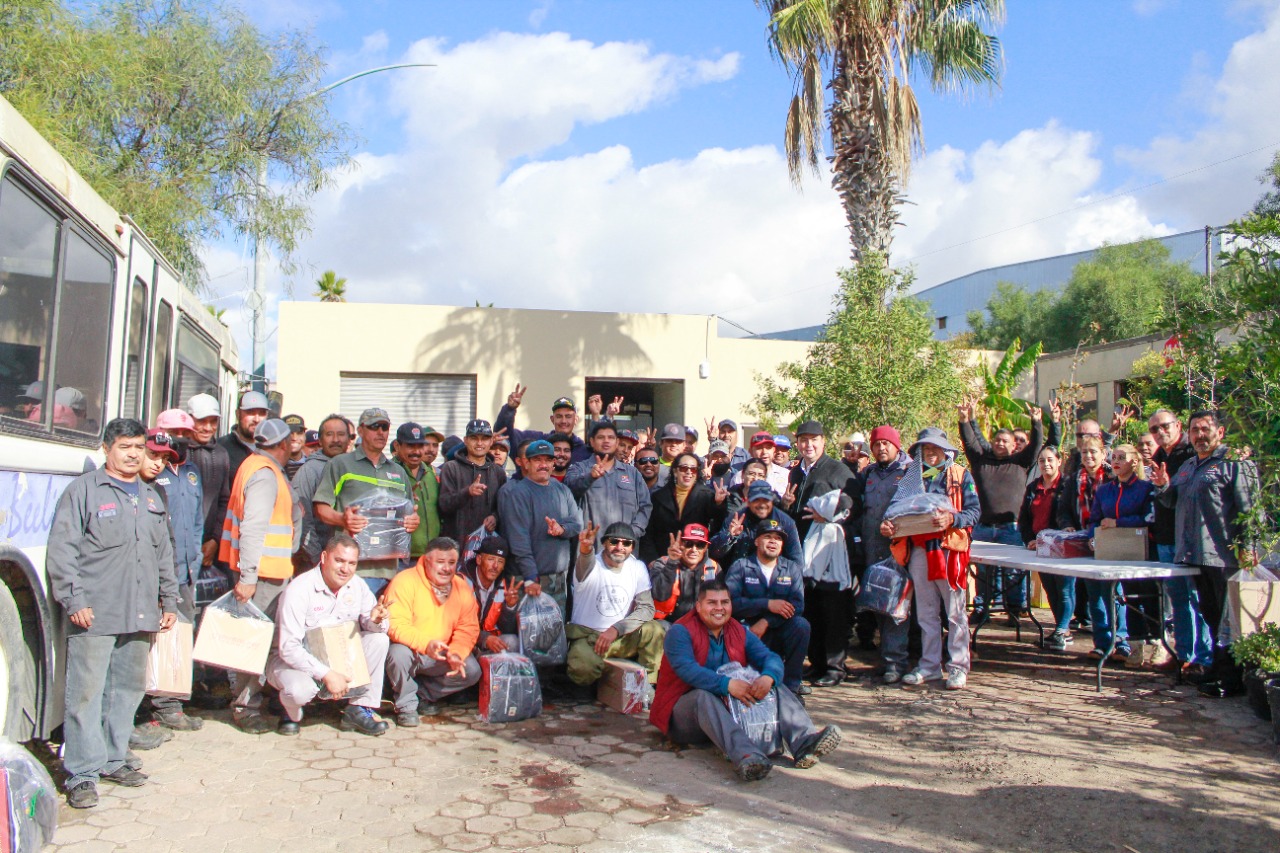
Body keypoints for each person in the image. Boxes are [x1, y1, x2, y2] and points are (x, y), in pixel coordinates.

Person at [47, 418, 179, 809]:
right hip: (96, 612)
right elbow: (63, 551)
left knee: (126, 691)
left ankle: (113, 759)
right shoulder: (83, 492)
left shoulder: (152, 497)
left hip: (139, 613)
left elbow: (163, 553)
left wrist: (168, 600)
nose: (134, 454)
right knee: (86, 695)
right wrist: (74, 600)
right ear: (107, 448)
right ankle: (82, 774)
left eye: (139, 447)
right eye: (125, 447)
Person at [650, 581, 842, 781]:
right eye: (711, 603)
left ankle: (805, 743)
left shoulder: (738, 630)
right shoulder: (680, 631)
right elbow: (687, 670)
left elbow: (770, 658)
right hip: (683, 717)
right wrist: (727, 684)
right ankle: (747, 755)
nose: (719, 608)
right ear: (698, 606)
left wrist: (768, 677)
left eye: (725, 602)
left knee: (773, 683)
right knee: (702, 697)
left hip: (726, 714)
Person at [1152, 410, 1260, 698]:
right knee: (1212, 615)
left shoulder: (1234, 462)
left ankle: (1232, 678)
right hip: (1195, 554)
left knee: (1230, 618)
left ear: (1220, 432)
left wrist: (1249, 546)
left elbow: (1250, 509)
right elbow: (1171, 501)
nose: (1200, 435)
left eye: (1205, 429)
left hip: (1225, 555)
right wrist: (1163, 484)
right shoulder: (1188, 466)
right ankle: (1217, 668)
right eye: (1195, 430)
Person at [219, 418, 302, 734]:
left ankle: (252, 700)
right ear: (283, 445)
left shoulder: (254, 465)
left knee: (258, 641)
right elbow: (253, 527)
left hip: (265, 571)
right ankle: (245, 706)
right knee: (253, 642)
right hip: (263, 575)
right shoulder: (266, 475)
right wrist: (249, 576)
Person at [883, 428, 980, 690]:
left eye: (935, 448)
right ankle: (929, 665)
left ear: (945, 450)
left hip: (949, 552)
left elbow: (973, 512)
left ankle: (958, 667)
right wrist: (889, 527)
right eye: (925, 449)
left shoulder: (960, 475)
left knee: (955, 613)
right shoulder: (909, 479)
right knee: (925, 614)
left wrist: (952, 518)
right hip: (918, 551)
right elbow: (894, 513)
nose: (931, 453)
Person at [265, 534, 391, 736]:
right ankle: (289, 710)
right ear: (324, 558)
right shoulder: (299, 590)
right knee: (298, 691)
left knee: (379, 639)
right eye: (339, 560)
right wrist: (327, 674)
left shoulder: (357, 585)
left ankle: (359, 708)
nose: (345, 569)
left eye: (351, 563)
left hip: (337, 654)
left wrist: (376, 621)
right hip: (294, 662)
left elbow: (372, 624)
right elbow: (288, 648)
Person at [958, 400, 1046, 626]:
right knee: (984, 574)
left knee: (1014, 573)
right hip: (984, 528)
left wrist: (1037, 423)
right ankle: (981, 609)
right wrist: (965, 419)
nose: (999, 443)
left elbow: (1036, 446)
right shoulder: (980, 461)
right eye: (996, 439)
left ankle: (1015, 610)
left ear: (1013, 445)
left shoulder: (1020, 462)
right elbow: (970, 441)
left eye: (1004, 441)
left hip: (1011, 529)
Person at [313, 408, 420, 593]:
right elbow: (320, 507)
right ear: (361, 431)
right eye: (374, 427)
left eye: (384, 427)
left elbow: (411, 514)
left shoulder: (399, 472)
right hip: (351, 570)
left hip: (390, 571)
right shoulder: (340, 464)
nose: (380, 432)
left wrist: (413, 521)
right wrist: (342, 519)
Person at [779, 421, 853, 686]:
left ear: (823, 441)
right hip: (802, 551)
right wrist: (785, 505)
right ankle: (817, 663)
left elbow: (853, 501)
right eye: (803, 440)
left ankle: (835, 668)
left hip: (830, 553)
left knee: (832, 610)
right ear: (797, 443)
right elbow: (794, 510)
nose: (808, 445)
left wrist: (829, 515)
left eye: (814, 440)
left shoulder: (837, 469)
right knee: (809, 609)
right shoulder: (796, 473)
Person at [147, 417, 205, 731]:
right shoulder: (152, 472)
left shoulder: (192, 472)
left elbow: (196, 522)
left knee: (181, 637)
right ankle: (159, 705)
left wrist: (194, 561)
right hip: (161, 572)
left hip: (186, 572)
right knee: (160, 637)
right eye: (174, 433)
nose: (180, 439)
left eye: (185, 433)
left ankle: (173, 703)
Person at [385, 537, 482, 724]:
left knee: (471, 670)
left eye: (452, 563)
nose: (446, 568)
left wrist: (457, 652)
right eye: (440, 562)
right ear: (427, 560)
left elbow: (468, 627)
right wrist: (425, 644)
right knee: (397, 654)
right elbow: (395, 624)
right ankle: (406, 706)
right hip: (413, 650)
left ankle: (421, 694)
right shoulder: (404, 581)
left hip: (441, 653)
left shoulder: (461, 587)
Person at [1147, 409, 1212, 677]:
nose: (1160, 432)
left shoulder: (1191, 453)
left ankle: (1204, 657)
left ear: (1178, 425)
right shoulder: (1159, 456)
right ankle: (1182, 653)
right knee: (1177, 601)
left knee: (1197, 599)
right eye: (1154, 429)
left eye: (1165, 426)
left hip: (1189, 538)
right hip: (1165, 537)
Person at [566, 522, 667, 689]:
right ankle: (599, 677)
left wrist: (617, 629)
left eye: (626, 543)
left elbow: (646, 608)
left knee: (655, 630)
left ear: (632, 547)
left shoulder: (637, 567)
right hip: (590, 637)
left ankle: (647, 686)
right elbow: (585, 562)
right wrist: (585, 550)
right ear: (605, 543)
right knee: (581, 670)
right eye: (614, 542)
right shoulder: (591, 564)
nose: (620, 547)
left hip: (621, 636)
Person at [847, 425, 912, 678]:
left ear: (897, 445)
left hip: (898, 551)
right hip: (870, 551)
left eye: (886, 443)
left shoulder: (909, 472)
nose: (881, 448)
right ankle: (883, 659)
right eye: (876, 444)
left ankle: (896, 663)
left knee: (896, 608)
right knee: (876, 605)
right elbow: (854, 498)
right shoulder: (869, 474)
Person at [1082, 444, 1155, 665]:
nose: (1116, 461)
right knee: (1097, 595)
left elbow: (1148, 518)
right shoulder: (1105, 490)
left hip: (1132, 550)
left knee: (1122, 597)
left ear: (1134, 461)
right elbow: (1095, 518)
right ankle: (1102, 642)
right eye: (1114, 457)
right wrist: (1092, 537)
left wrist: (1118, 523)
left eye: (1122, 457)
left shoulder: (1145, 488)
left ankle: (1124, 642)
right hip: (1105, 549)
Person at [497, 439, 583, 615]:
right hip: (529, 580)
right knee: (531, 638)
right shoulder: (518, 493)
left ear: (553, 463)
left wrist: (562, 529)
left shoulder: (562, 490)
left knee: (556, 635)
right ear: (527, 463)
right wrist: (530, 577)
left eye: (548, 460)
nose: (543, 465)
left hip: (558, 579)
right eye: (538, 460)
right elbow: (519, 541)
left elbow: (577, 523)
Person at [724, 519, 809, 694]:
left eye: (778, 538)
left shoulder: (791, 568)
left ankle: (791, 687)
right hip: (747, 628)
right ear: (756, 541)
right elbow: (729, 603)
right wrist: (767, 604)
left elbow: (797, 605)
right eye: (768, 536)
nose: (773, 541)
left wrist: (767, 621)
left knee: (801, 626)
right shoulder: (741, 566)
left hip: (778, 627)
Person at [1018, 446, 1072, 650]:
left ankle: (1061, 630)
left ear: (1059, 461)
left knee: (1065, 590)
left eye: (1050, 460)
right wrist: (1029, 540)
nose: (1046, 464)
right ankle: (1062, 630)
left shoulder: (1067, 485)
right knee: (1050, 590)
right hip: (1039, 548)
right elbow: (1024, 518)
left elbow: (1069, 514)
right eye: (1042, 460)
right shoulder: (1033, 487)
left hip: (1062, 547)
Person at [565, 420, 652, 545]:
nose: (606, 441)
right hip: (589, 551)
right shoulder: (578, 469)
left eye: (610, 437)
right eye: (601, 437)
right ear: (592, 442)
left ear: (616, 443)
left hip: (624, 551)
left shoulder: (633, 474)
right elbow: (569, 492)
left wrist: (632, 533)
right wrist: (590, 477)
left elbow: (645, 506)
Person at [641, 452, 727, 563]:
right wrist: (652, 560)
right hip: (664, 560)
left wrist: (719, 504)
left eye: (693, 469)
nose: (688, 472)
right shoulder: (658, 497)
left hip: (694, 560)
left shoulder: (707, 496)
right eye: (683, 468)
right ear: (675, 471)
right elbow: (648, 534)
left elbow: (718, 526)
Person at [291, 414, 350, 568]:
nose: (336, 440)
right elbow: (304, 521)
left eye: (341, 434)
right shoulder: (309, 471)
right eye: (329, 434)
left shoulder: (356, 469)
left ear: (349, 439)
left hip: (348, 561)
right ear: (321, 440)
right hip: (316, 562)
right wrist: (319, 560)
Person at [186, 393, 231, 579]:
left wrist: (214, 539)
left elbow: (224, 500)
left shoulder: (221, 454)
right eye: (202, 421)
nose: (208, 427)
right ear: (190, 419)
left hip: (207, 544)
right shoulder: (178, 451)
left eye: (213, 422)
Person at [438, 418, 507, 541]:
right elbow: (444, 505)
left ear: (491, 441)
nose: (479, 443)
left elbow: (504, 507)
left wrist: (495, 517)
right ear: (465, 440)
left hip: (487, 548)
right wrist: (467, 492)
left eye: (484, 438)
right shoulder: (451, 468)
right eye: (474, 438)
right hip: (456, 545)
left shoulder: (498, 472)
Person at [710, 480, 803, 568]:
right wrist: (729, 536)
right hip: (739, 575)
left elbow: (796, 561)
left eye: (766, 500)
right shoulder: (736, 518)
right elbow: (713, 552)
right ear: (748, 501)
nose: (762, 505)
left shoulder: (786, 522)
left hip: (773, 577)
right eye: (757, 500)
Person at [493, 384, 594, 465]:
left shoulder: (584, 451)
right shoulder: (536, 441)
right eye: (559, 416)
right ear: (552, 419)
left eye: (568, 416)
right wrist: (510, 409)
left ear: (576, 420)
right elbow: (503, 433)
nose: (563, 421)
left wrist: (596, 415)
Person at [649, 523, 723, 622]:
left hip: (701, 624)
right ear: (680, 544)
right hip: (667, 623)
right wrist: (672, 563)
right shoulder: (662, 563)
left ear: (706, 547)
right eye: (689, 544)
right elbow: (659, 595)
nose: (694, 550)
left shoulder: (714, 569)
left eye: (700, 545)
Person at [460, 535, 521, 655]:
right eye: (491, 559)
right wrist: (484, 639)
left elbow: (506, 630)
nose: (495, 566)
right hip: (464, 642)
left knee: (512, 641)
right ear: (479, 559)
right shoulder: (461, 581)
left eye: (500, 561)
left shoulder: (504, 586)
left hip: (488, 643)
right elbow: (456, 624)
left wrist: (510, 607)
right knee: (473, 670)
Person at [394, 422, 445, 563]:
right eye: (411, 446)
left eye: (420, 446)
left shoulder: (432, 474)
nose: (416, 451)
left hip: (430, 557)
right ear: (397, 446)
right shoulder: (388, 473)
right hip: (400, 558)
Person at [217, 390, 270, 482]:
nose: (256, 419)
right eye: (251, 412)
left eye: (261, 413)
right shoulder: (220, 448)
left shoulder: (272, 449)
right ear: (238, 414)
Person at [731, 432, 789, 496]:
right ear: (750, 452)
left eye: (768, 448)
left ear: (774, 450)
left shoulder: (786, 475)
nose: (764, 452)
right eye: (759, 448)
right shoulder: (739, 477)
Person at [282, 414, 308, 480]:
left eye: (299, 433)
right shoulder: (276, 465)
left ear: (304, 436)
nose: (294, 438)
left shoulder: (312, 464)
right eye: (290, 433)